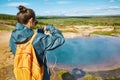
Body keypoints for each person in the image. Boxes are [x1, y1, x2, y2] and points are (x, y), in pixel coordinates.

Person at [9, 5, 65, 80]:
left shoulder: (13, 36)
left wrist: (40, 32)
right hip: (38, 76)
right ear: (31, 20)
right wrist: (51, 28)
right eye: (35, 22)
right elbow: (60, 39)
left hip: (23, 74)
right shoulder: (38, 38)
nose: (35, 24)